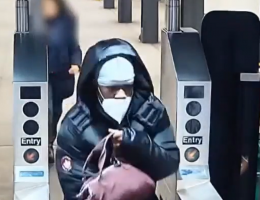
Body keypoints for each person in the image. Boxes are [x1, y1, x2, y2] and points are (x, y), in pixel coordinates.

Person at [55, 38, 180, 200]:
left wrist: (139, 144)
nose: (121, 95)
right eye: (112, 88)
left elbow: (169, 162)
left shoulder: (150, 112)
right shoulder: (76, 127)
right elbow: (74, 189)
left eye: (127, 87)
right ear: (96, 86)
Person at [42, 0, 82, 163]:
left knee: (56, 109)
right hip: (41, 72)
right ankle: (46, 144)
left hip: (60, 71)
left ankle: (50, 137)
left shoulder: (66, 21)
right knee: (48, 108)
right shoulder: (34, 22)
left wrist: (75, 63)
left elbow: (73, 44)